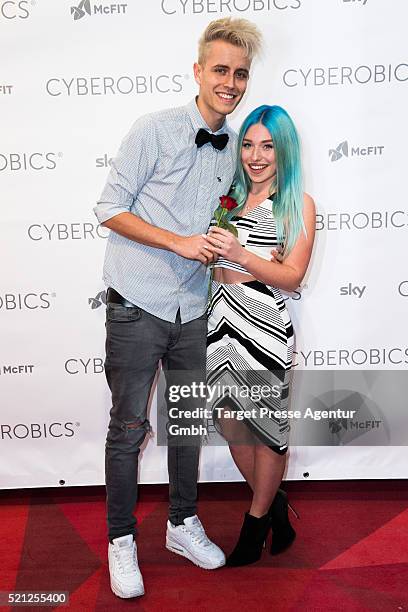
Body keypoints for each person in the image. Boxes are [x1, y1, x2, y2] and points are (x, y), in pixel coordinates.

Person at [93, 18, 262, 599]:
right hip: (138, 302)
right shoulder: (154, 129)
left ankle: (181, 524)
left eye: (240, 73)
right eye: (221, 70)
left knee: (186, 424)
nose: (231, 82)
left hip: (195, 306)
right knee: (129, 428)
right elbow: (109, 208)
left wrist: (219, 241)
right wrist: (179, 241)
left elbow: (221, 217)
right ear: (197, 71)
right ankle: (120, 540)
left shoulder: (238, 146)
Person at [205, 104, 315, 566]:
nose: (255, 155)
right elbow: (212, 259)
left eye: (267, 146)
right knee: (232, 426)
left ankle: (255, 522)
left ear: (283, 150)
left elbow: (292, 277)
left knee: (268, 432)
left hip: (263, 321)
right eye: (248, 144)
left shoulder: (297, 204)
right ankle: (275, 507)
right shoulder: (226, 199)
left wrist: (241, 254)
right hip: (218, 322)